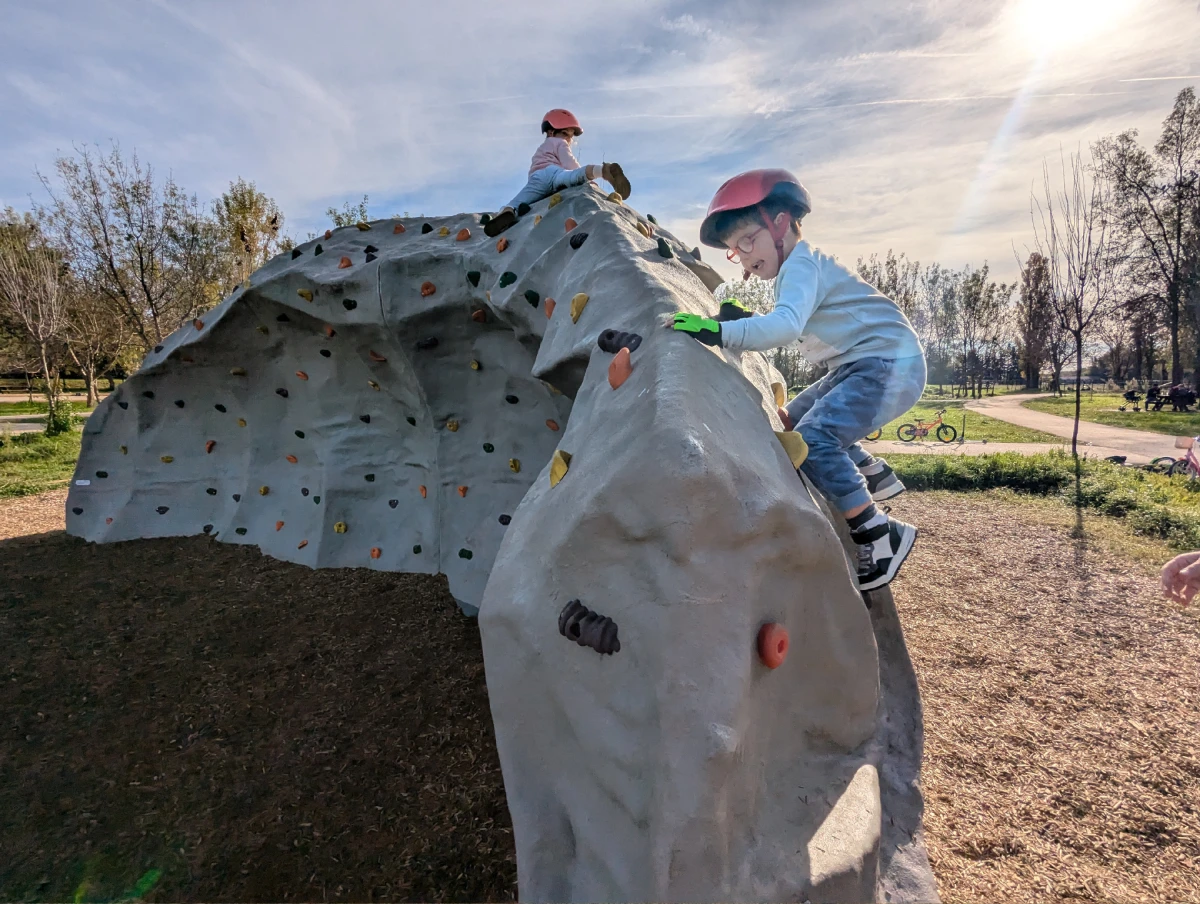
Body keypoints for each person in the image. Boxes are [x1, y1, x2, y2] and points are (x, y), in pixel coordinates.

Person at [670, 169, 926, 591]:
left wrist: (720, 332)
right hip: (861, 363)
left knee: (813, 439)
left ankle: (877, 532)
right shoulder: (801, 268)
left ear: (781, 223)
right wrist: (744, 321)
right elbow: (788, 321)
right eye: (734, 250)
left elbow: (786, 327)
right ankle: (869, 471)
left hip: (886, 364)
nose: (743, 256)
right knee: (788, 422)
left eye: (747, 240)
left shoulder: (802, 263)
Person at [484, 108, 631, 238]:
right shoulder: (559, 143)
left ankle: (507, 212)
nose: (568, 139)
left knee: (519, 200)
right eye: (565, 133)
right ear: (551, 132)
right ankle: (604, 171)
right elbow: (569, 163)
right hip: (555, 173)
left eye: (570, 136)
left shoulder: (542, 147)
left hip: (537, 178)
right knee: (573, 176)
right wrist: (586, 179)